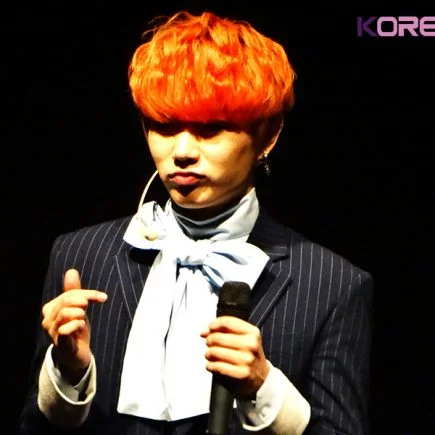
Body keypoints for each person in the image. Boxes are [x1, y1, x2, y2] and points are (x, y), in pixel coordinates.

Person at [18, 10, 373, 435]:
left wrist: (265, 389)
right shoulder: (80, 256)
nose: (182, 152)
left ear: (267, 135)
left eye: (210, 129)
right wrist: (68, 375)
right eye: (164, 126)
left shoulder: (332, 284)